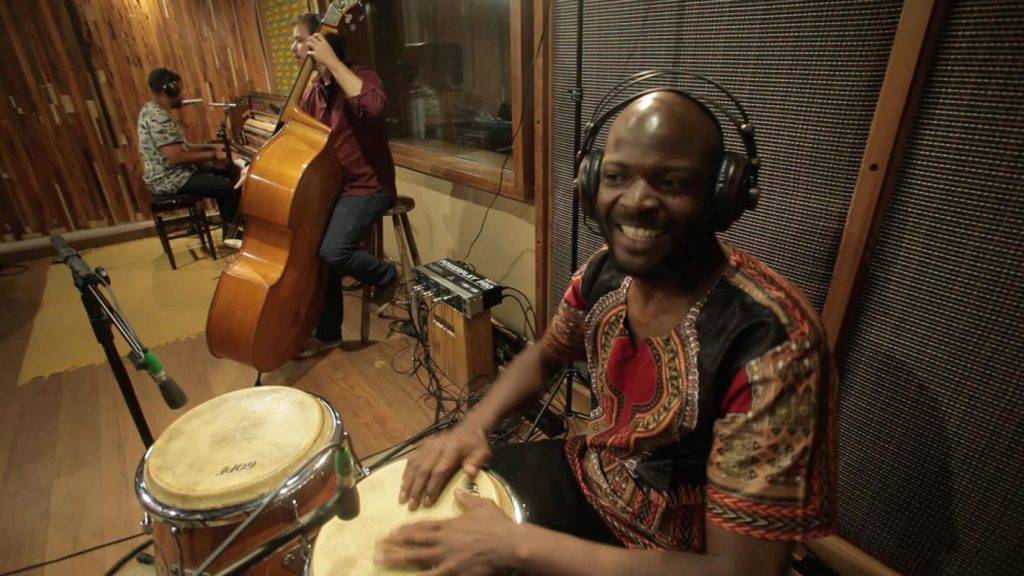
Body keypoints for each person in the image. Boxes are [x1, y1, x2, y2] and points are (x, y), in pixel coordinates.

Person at [378, 90, 837, 574]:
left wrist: (515, 545)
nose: (636, 200)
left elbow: (743, 571)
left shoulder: (773, 343)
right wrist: (474, 424)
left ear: (721, 195)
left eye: (673, 182)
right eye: (617, 177)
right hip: (590, 475)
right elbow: (545, 355)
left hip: (681, 552)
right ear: (592, 181)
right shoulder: (604, 274)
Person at [271, 14, 400, 357]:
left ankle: (387, 275)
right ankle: (328, 332)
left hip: (369, 186)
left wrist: (332, 62)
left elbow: (373, 106)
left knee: (333, 251)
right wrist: (260, 169)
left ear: (320, 42)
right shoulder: (313, 94)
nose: (294, 47)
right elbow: (296, 139)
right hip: (333, 189)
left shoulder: (361, 75)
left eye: (300, 39)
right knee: (314, 250)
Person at [137, 68, 240, 240]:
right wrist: (214, 155)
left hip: (172, 174)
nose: (183, 95)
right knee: (230, 188)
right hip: (169, 179)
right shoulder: (159, 117)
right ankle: (233, 235)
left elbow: (184, 147)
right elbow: (176, 157)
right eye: (181, 90)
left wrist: (213, 147)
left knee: (226, 174)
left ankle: (230, 230)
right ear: (170, 90)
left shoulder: (150, 109)